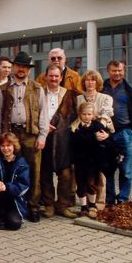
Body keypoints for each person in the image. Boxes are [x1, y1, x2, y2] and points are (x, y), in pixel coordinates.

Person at [0, 51, 47, 222]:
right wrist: (2, 135)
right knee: (10, 170)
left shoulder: (37, 88)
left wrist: (42, 136)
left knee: (34, 171)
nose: (22, 69)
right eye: (19, 65)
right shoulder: (4, 88)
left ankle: (33, 206)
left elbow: (43, 113)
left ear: (29, 69)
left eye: (25, 67)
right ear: (13, 67)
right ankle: (11, 204)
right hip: (11, 133)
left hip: (30, 134)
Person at [102, 60, 132, 205]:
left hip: (125, 133)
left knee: (125, 170)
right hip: (107, 134)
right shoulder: (102, 87)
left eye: (120, 70)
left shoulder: (131, 90)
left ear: (123, 71)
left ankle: (123, 200)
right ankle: (110, 200)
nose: (117, 73)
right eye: (114, 70)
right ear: (108, 71)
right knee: (108, 169)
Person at [39, 65, 78, 219]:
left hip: (64, 140)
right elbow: (33, 113)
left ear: (61, 78)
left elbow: (76, 116)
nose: (54, 79)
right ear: (46, 77)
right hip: (44, 138)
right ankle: (49, 205)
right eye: (51, 76)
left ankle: (62, 205)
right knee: (45, 173)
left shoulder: (70, 94)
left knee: (66, 175)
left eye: (56, 76)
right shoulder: (39, 92)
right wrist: (43, 126)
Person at [77, 69, 114, 205]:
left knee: (100, 173)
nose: (90, 82)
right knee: (84, 172)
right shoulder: (79, 98)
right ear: (84, 82)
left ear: (97, 82)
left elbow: (105, 115)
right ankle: (85, 203)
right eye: (87, 80)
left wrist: (99, 131)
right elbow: (77, 118)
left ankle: (100, 202)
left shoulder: (105, 98)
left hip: (101, 136)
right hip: (84, 138)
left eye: (93, 80)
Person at [70, 102, 112, 219]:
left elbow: (107, 138)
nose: (86, 116)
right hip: (80, 161)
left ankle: (92, 205)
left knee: (92, 183)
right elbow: (79, 140)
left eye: (89, 114)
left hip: (93, 161)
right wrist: (93, 137)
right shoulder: (75, 127)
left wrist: (107, 136)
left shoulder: (97, 125)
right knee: (81, 183)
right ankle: (83, 207)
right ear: (79, 114)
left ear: (93, 115)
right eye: (84, 114)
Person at [0, 132, 29, 230]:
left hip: (14, 200)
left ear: (14, 146)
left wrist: (7, 186)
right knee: (0, 222)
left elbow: (24, 185)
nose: (5, 148)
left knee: (14, 224)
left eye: (8, 145)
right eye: (2, 146)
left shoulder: (22, 163)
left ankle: (8, 216)